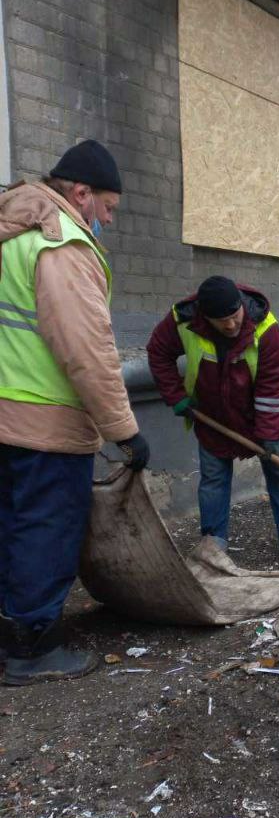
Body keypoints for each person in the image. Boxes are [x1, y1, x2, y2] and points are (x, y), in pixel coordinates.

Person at [0, 140, 149, 685]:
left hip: (5, 417)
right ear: (80, 193)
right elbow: (87, 353)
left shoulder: (9, 238)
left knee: (10, 527)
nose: (108, 219)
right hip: (45, 422)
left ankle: (10, 633)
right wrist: (125, 432)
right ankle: (33, 648)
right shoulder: (59, 247)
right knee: (45, 531)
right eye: (108, 208)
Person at [147, 276, 279, 565]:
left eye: (234, 316)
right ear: (205, 316)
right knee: (213, 480)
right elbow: (158, 353)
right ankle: (213, 547)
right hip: (212, 416)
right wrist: (176, 397)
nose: (230, 325)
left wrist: (266, 434)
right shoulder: (183, 321)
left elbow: (272, 384)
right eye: (221, 320)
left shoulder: (266, 327)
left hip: (265, 414)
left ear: (242, 306)